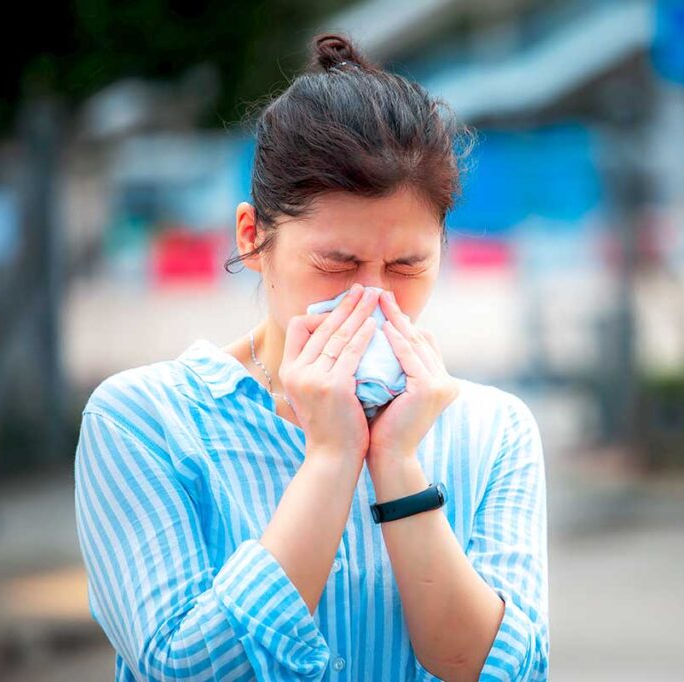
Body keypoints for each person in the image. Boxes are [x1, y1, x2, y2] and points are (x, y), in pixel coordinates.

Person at [74, 33, 549, 682]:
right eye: (338, 263)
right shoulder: (144, 422)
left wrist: (396, 463)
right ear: (252, 238)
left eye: (407, 265)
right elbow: (183, 670)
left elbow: (498, 669)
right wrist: (329, 459)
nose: (373, 297)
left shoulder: (493, 431)